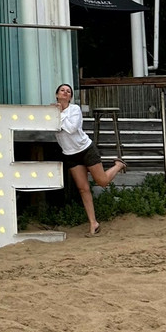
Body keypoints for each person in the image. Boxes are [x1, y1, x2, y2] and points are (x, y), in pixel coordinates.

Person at [54, 83, 126, 236]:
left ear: (71, 97)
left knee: (102, 182)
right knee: (83, 188)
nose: (65, 93)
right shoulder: (51, 111)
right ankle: (93, 222)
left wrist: (59, 115)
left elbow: (72, 128)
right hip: (69, 153)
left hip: (85, 149)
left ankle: (118, 165)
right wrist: (56, 114)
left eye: (68, 91)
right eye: (62, 90)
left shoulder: (74, 109)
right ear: (57, 95)